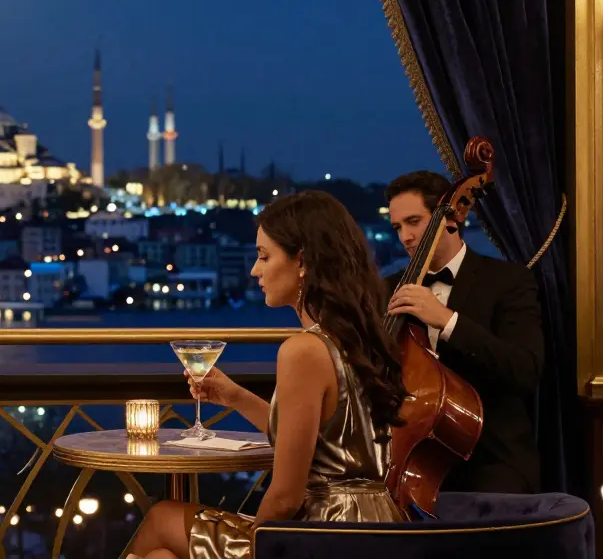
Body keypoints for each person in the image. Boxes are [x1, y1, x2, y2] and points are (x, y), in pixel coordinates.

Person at [127, 191, 408, 559]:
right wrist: (235, 397)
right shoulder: (361, 339)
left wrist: (255, 543)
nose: (254, 270)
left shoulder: (303, 350)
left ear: (302, 261)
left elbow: (285, 496)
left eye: (264, 256)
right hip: (378, 527)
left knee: (162, 518)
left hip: (325, 531)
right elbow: (321, 443)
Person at [384, 170, 544, 493]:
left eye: (414, 222)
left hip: (489, 459)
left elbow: (525, 370)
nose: (405, 237)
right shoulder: (389, 289)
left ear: (452, 218)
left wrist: (447, 320)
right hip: (409, 458)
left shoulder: (508, 282)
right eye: (398, 227)